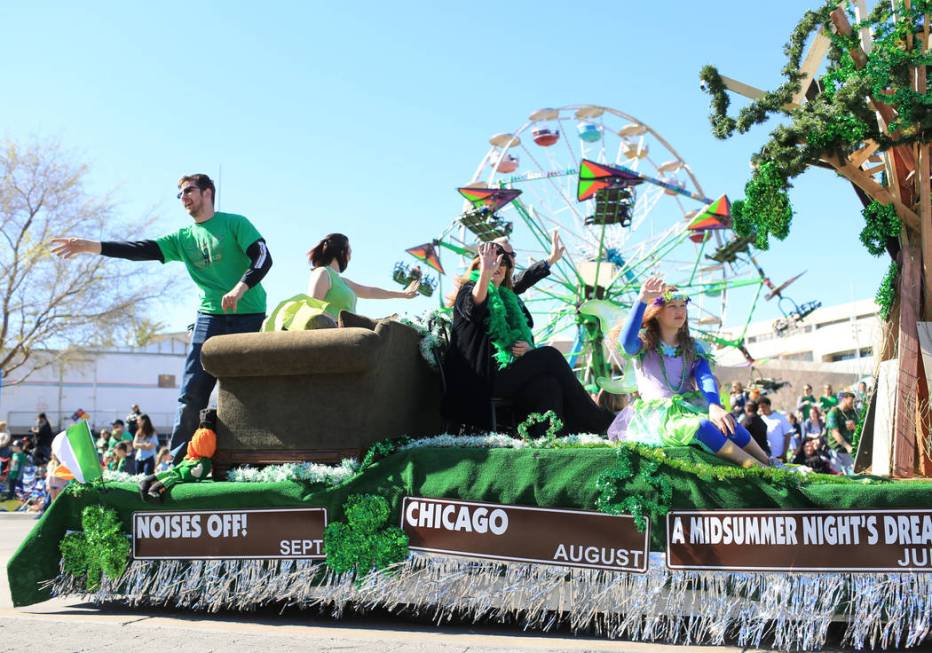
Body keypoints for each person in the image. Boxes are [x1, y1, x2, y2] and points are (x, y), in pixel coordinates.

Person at [51, 173, 273, 462]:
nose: (183, 197)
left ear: (207, 192)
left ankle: (253, 460)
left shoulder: (235, 223)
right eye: (179, 194)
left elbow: (263, 256)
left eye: (188, 190)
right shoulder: (183, 239)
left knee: (247, 391)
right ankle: (178, 463)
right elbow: (140, 250)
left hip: (249, 314)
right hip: (210, 317)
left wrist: (240, 288)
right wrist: (91, 246)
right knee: (191, 394)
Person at [443, 242, 613, 437]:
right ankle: (599, 422)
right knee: (550, 355)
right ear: (478, 266)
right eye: (491, 261)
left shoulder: (508, 298)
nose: (498, 265)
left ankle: (550, 440)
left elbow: (520, 283)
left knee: (549, 384)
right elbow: (474, 307)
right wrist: (485, 274)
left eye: (504, 262)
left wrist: (528, 350)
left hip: (503, 377)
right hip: (477, 382)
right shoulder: (468, 291)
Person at [608, 276, 770, 468]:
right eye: (672, 306)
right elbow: (626, 342)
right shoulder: (644, 345)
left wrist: (714, 405)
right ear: (657, 312)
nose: (680, 311)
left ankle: (771, 462)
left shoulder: (693, 348)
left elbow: (705, 377)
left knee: (729, 424)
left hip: (689, 408)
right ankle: (759, 469)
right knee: (702, 427)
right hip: (657, 420)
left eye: (683, 305)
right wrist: (642, 300)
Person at [825, 391, 859, 474]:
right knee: (835, 475)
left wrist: (854, 427)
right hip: (836, 451)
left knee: (853, 474)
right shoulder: (833, 412)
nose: (853, 403)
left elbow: (859, 429)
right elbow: (835, 433)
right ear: (844, 399)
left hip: (848, 451)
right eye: (851, 401)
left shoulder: (853, 412)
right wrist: (848, 447)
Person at [757, 396, 795, 462]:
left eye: (763, 406)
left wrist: (784, 453)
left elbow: (788, 435)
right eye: (759, 407)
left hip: (779, 455)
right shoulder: (760, 419)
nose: (761, 409)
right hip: (766, 456)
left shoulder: (780, 418)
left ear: (769, 405)